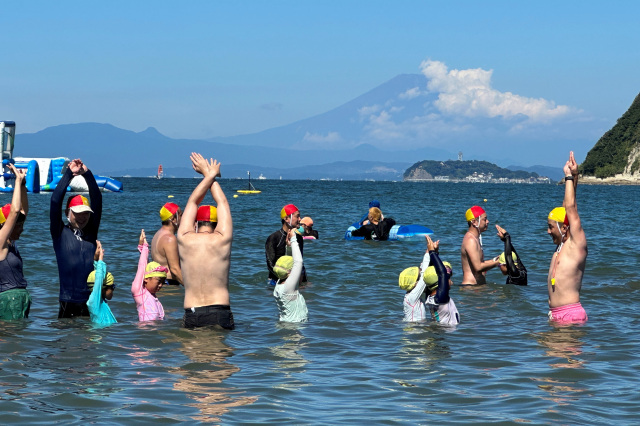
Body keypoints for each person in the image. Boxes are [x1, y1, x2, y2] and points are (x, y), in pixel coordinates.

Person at [177, 153, 234, 330]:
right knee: (219, 356)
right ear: (217, 224)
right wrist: (209, 174)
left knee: (193, 357)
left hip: (192, 313)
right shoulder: (222, 239)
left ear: (195, 223)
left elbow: (193, 201)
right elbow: (222, 202)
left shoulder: (184, 238)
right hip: (220, 311)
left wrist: (208, 175)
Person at [50, 159, 102, 318]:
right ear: (68, 213)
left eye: (85, 213)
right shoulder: (59, 233)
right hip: (68, 300)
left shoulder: (90, 233)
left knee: (90, 341)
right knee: (66, 340)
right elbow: (55, 201)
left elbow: (97, 199)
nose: (82, 217)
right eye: (77, 213)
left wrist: (87, 174)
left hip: (91, 301)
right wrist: (68, 174)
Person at [546, 151, 588, 324]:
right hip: (557, 314)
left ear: (564, 227)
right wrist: (575, 175)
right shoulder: (562, 244)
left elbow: (571, 209)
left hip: (570, 315)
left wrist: (569, 177)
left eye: (550, 227)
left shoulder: (576, 244)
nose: (548, 232)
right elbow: (567, 207)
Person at [399, 235, 458, 324]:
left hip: (419, 327)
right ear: (415, 283)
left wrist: (434, 252)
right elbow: (436, 275)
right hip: (414, 329)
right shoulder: (413, 297)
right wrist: (430, 252)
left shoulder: (427, 297)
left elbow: (428, 274)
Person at [0, 164, 31, 320]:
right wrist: (17, 182)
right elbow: (15, 211)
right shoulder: (1, 241)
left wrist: (23, 184)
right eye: (17, 225)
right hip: (7, 302)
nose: (21, 229)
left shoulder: (11, 241)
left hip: (18, 302)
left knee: (19, 342)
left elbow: (22, 210)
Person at [266, 203, 307, 286]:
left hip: (294, 281)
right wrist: (284, 280)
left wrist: (304, 281)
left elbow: (300, 262)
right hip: (275, 281)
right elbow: (270, 264)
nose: (300, 219)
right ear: (286, 218)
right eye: (297, 216)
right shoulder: (274, 238)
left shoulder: (298, 239)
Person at [132, 229, 168, 321]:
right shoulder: (139, 293)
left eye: (163, 282)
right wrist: (144, 247)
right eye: (159, 281)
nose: (161, 285)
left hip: (154, 333)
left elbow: (146, 267)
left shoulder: (153, 296)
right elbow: (142, 267)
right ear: (146, 279)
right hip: (145, 332)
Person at [273, 228, 308, 322]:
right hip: (295, 326)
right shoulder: (289, 287)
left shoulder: (279, 283)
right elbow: (298, 262)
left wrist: (288, 247)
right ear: (289, 272)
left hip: (285, 323)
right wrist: (293, 239)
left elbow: (288, 262)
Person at [460, 205, 499, 285]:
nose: (487, 221)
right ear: (474, 222)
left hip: (476, 287)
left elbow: (479, 262)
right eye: (485, 219)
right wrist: (498, 263)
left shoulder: (475, 238)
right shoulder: (470, 240)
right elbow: (478, 267)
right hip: (471, 287)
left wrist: (495, 260)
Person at [151, 202, 183, 285]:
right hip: (169, 285)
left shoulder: (158, 234)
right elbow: (174, 270)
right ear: (173, 219)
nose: (182, 218)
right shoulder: (170, 238)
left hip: (160, 283)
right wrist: (190, 289)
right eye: (180, 215)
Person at [86, 240, 117, 325]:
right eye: (112, 287)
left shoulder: (99, 302)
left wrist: (96, 259)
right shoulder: (94, 302)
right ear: (103, 289)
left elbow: (98, 280)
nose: (113, 291)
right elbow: (98, 279)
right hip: (97, 337)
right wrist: (100, 260)